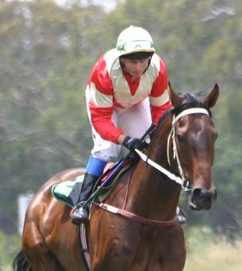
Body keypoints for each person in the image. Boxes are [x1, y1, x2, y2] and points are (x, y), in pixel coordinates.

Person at [70, 25, 174, 225]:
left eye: (143, 61)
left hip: (135, 103)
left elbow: (161, 109)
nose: (139, 68)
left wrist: (155, 132)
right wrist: (125, 140)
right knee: (107, 149)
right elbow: (101, 121)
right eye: (133, 62)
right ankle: (82, 203)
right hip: (106, 107)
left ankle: (166, 205)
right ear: (121, 59)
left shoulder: (158, 68)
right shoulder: (103, 71)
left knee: (151, 146)